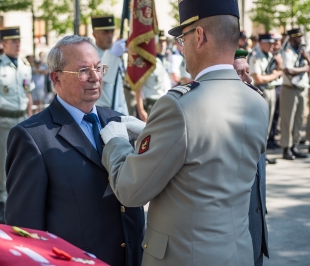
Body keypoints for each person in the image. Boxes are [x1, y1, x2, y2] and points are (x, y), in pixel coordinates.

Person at [99, 0, 269, 264]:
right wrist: (153, 133)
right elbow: (210, 155)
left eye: (182, 38)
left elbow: (131, 190)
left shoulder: (179, 105)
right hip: (237, 253)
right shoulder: (257, 101)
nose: (182, 47)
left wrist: (117, 142)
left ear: (199, 37)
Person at [5, 35, 144, 266]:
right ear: (55, 77)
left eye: (98, 68)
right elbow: (25, 229)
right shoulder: (33, 136)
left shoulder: (119, 122)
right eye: (83, 71)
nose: (95, 77)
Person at [0, 26, 35, 224]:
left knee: (25, 161)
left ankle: (21, 202)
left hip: (22, 119)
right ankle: (1, 202)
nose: (17, 44)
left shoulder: (24, 65)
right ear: (3, 44)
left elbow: (28, 95)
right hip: (3, 121)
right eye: (13, 41)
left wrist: (30, 119)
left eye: (19, 40)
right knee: (2, 162)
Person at [233, 49, 269, 266]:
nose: (248, 78)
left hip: (256, 226)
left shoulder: (256, 106)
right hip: (232, 236)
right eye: (240, 73)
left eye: (248, 71)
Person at [249, 33, 283, 164]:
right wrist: (275, 75)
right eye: (269, 43)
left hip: (271, 90)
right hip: (261, 91)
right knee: (260, 124)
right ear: (261, 43)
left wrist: (278, 68)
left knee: (268, 124)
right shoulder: (255, 57)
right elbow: (258, 78)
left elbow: (276, 72)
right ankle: (257, 155)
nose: (272, 46)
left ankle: (264, 154)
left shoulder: (270, 56)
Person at [280, 28, 309, 160]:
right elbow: (288, 70)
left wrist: (307, 58)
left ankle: (294, 146)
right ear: (292, 38)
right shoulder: (288, 52)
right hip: (290, 89)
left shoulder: (301, 52)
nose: (300, 40)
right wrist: (305, 68)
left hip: (302, 88)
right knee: (288, 120)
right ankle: (286, 148)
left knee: (298, 119)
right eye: (298, 38)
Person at [91, 15, 129, 115]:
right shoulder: (90, 55)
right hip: (102, 112)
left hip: (120, 110)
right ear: (95, 34)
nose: (110, 35)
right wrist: (112, 55)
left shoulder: (114, 53)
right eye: (105, 32)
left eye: (112, 32)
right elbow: (101, 76)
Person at [136, 56, 171, 122]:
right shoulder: (142, 62)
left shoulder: (160, 61)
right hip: (149, 105)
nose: (162, 45)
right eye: (159, 44)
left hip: (161, 104)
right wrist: (141, 109)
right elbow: (138, 87)